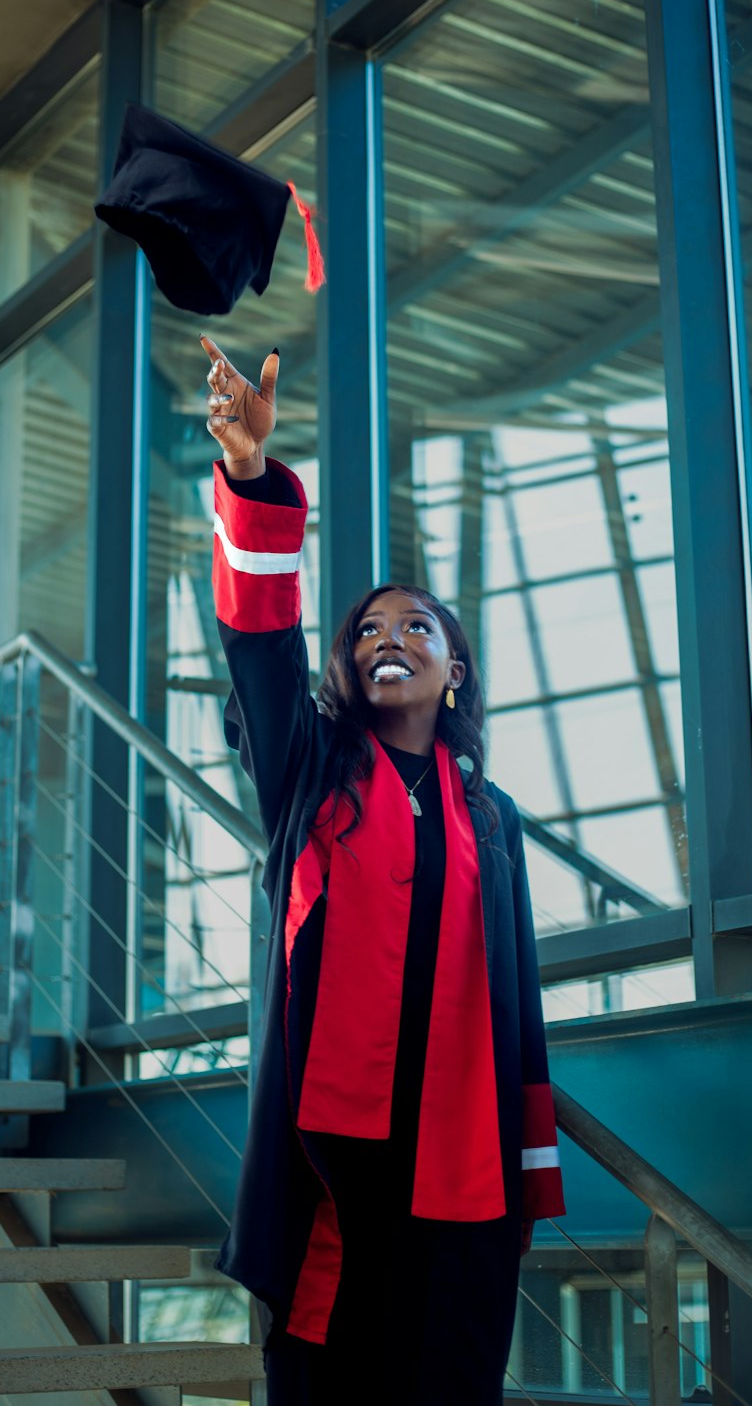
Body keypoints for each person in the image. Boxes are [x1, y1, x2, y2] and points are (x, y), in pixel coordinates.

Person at [201, 335, 565, 1406]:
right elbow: (260, 645)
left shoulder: (491, 822)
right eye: (367, 629)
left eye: (416, 626)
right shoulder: (310, 774)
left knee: (451, 1378)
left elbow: (521, 1006)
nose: (386, 636)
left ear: (455, 676)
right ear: (351, 669)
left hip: (461, 1160)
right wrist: (252, 478)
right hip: (336, 1158)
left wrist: (529, 1171)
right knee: (327, 1375)